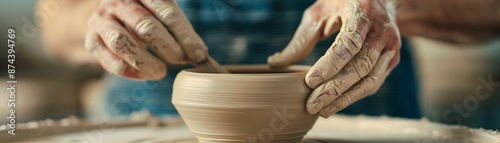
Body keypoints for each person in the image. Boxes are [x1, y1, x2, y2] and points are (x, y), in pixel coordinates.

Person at [39, 0, 499, 121]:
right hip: (149, 121)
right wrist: (98, 18)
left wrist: (393, 6)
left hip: (357, 118)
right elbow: (51, 19)